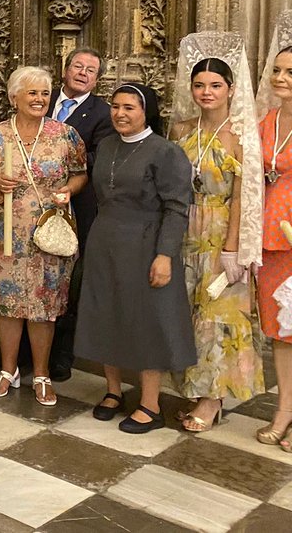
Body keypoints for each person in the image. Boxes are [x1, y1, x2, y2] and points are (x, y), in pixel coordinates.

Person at [76, 84, 195, 433]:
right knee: (106, 315)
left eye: (129, 107)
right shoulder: (107, 144)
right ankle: (113, 392)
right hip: (105, 240)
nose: (120, 114)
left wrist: (164, 255)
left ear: (146, 111)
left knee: (147, 321)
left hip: (145, 244)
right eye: (115, 106)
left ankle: (150, 404)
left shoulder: (165, 152)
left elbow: (176, 208)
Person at [0, 66, 87, 406]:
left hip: (47, 232)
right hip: (2, 232)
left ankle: (41, 373)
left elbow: (81, 175)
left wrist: (68, 190)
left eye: (44, 93)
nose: (39, 99)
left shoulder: (66, 135)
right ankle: (8, 370)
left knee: (43, 305)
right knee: (6, 303)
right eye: (32, 92)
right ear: (14, 97)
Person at [169, 39, 265, 432]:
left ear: (230, 89)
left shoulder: (241, 135)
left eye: (215, 86)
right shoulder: (181, 128)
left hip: (221, 230)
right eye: (200, 85)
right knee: (188, 315)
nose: (206, 93)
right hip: (183, 231)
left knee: (217, 318)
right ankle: (197, 388)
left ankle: (212, 400)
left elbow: (244, 193)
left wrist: (233, 248)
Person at [48, 47, 112, 381]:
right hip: (34, 204)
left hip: (78, 207)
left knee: (71, 282)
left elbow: (97, 160)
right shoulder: (42, 98)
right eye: (78, 66)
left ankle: (62, 354)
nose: (83, 73)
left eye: (91, 70)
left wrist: (53, 166)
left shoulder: (103, 113)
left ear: (97, 79)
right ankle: (32, 351)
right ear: (65, 68)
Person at [255, 17, 292, 452]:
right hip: (270, 235)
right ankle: (283, 410)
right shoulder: (266, 120)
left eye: (290, 72)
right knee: (281, 330)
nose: (281, 78)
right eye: (277, 71)